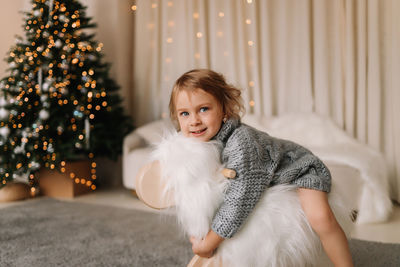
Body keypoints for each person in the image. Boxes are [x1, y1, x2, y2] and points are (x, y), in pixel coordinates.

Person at [168, 69, 354, 267]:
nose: (194, 120)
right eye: (185, 114)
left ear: (224, 109)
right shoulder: (196, 145)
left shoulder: (242, 142)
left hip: (300, 169)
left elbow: (241, 197)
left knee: (321, 218)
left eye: (204, 109)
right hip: (264, 176)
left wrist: (211, 241)